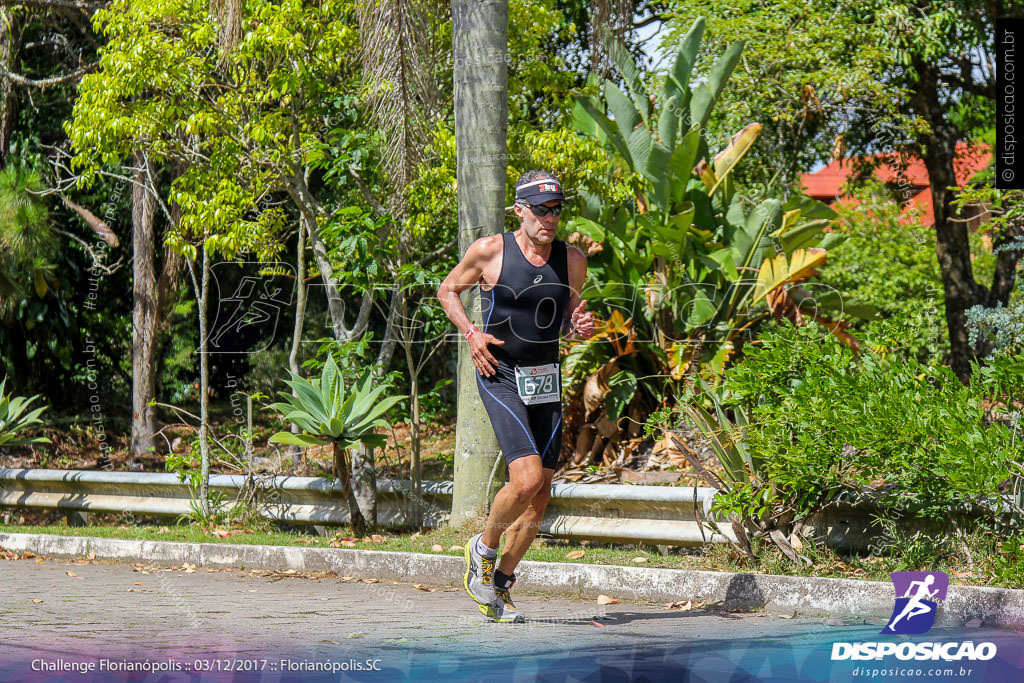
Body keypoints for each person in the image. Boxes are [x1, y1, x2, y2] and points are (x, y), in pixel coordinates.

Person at [436, 170, 595, 623]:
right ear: (520, 210)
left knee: (541, 493)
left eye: (557, 209)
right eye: (541, 210)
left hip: (545, 376)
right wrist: (471, 333)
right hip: (500, 371)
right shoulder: (490, 250)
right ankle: (482, 552)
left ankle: (499, 587)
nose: (550, 218)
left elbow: (566, 318)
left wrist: (578, 326)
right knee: (525, 480)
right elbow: (447, 290)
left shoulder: (573, 260)